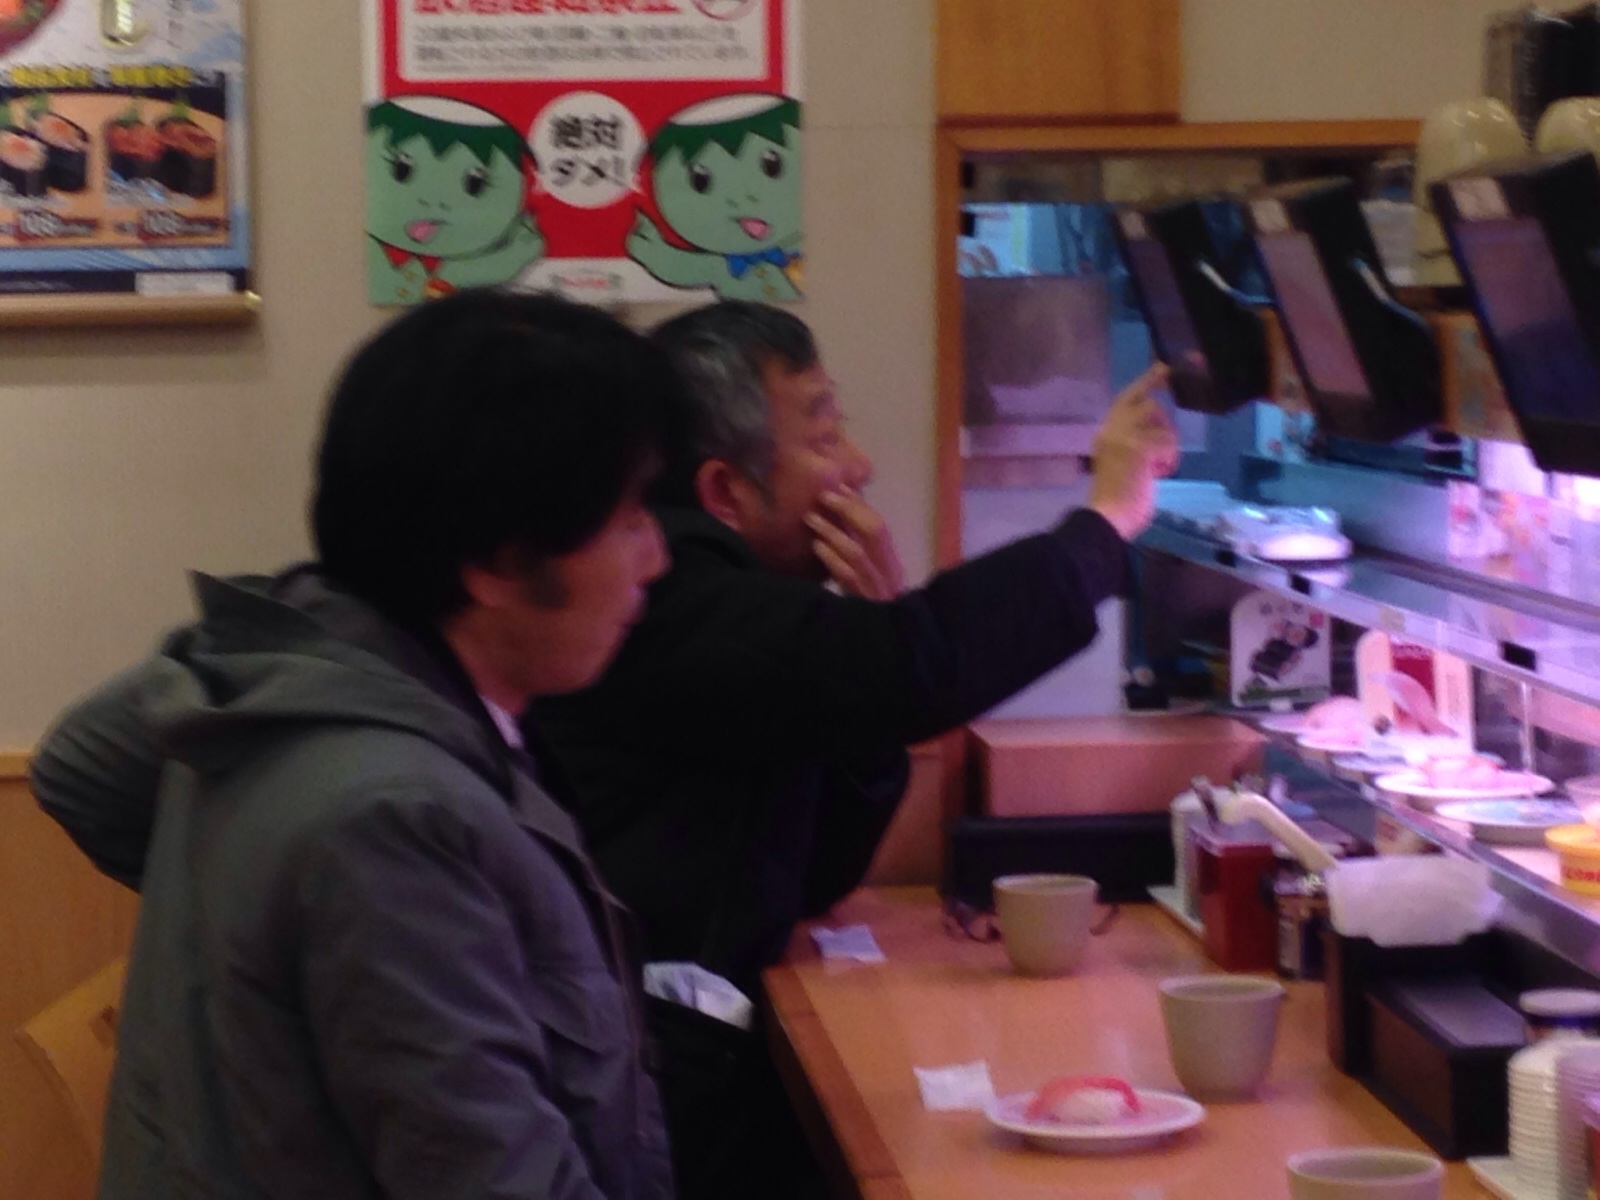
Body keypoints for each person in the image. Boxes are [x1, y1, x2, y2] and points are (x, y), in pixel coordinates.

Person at [30, 290, 679, 1200]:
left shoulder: (282, 672)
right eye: (631, 519)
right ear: (498, 562)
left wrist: (265, 948)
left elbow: (76, 767)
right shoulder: (391, 815)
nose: (657, 559)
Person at [527, 301, 1179, 1198]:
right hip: (643, 1085)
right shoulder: (677, 603)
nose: (860, 466)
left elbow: (818, 873)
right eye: (825, 435)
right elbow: (912, 663)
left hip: (684, 1052)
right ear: (725, 492)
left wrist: (870, 671)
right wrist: (1106, 521)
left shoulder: (742, 623)